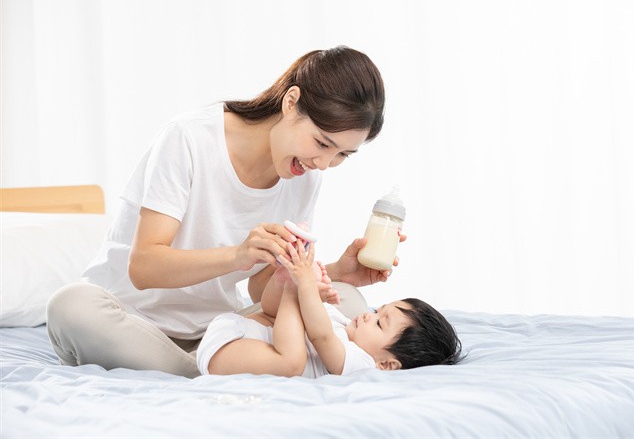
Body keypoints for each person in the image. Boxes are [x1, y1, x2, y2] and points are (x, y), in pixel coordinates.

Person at [46, 46, 399, 378]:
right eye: (322, 142)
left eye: (341, 155)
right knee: (71, 306)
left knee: (349, 301)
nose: (323, 163)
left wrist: (335, 272)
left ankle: (205, 366)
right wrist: (238, 255)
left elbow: (263, 290)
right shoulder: (190, 138)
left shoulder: (304, 175)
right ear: (291, 102)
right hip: (128, 322)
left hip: (216, 331)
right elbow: (143, 268)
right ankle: (208, 371)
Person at [197, 240, 463, 377]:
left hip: (229, 349)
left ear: (387, 364)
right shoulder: (342, 323)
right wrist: (311, 290)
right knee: (283, 322)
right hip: (240, 333)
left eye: (379, 323)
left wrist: (304, 288)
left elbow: (321, 336)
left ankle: (288, 283)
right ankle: (284, 279)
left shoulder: (363, 364)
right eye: (377, 311)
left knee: (292, 362)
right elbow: (272, 311)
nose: (368, 316)